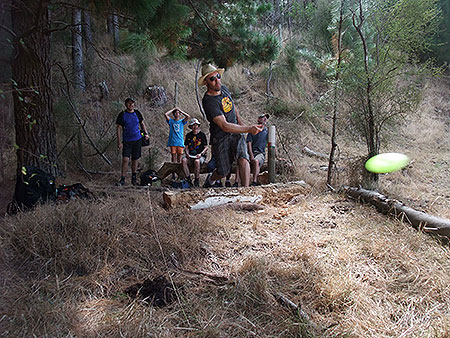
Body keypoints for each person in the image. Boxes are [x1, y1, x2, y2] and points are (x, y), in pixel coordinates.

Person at [198, 64, 262, 188]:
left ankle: (246, 191)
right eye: (212, 79)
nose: (217, 80)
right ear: (206, 82)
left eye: (218, 76)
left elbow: (232, 106)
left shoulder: (225, 89)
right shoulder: (208, 101)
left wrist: (240, 121)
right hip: (221, 137)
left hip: (236, 132)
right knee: (223, 171)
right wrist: (248, 128)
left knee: (243, 158)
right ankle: (210, 180)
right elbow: (224, 125)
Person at [116, 98, 149, 186]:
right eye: (129, 104)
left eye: (132, 103)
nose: (131, 105)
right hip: (127, 140)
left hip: (137, 139)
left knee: (135, 159)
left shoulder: (137, 113)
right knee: (125, 159)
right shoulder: (122, 114)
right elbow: (119, 128)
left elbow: (142, 123)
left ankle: (133, 178)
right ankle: (123, 178)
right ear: (126, 104)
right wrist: (119, 142)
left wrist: (146, 133)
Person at [182, 118, 208, 187]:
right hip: (190, 155)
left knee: (197, 161)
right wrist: (187, 153)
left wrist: (201, 154)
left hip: (200, 155)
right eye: (193, 125)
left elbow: (206, 147)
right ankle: (188, 179)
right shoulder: (188, 135)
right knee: (184, 160)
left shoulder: (202, 135)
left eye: (196, 125)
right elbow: (186, 146)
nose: (195, 127)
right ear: (191, 127)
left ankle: (197, 180)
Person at [247, 113, 269, 186]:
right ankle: (237, 182)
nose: (265, 118)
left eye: (266, 117)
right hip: (251, 152)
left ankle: (254, 182)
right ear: (259, 119)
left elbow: (271, 144)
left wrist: (277, 156)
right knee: (241, 161)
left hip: (260, 153)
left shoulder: (267, 132)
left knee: (256, 161)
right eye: (263, 117)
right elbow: (249, 143)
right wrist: (251, 155)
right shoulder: (253, 130)